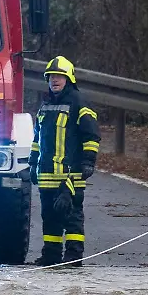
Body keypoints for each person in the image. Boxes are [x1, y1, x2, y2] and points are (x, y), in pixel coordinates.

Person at [29, 56, 101, 267]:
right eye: (51, 76)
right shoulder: (45, 104)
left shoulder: (79, 102)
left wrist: (88, 161)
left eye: (59, 76)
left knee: (71, 216)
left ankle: (74, 255)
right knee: (49, 217)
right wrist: (33, 163)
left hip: (70, 175)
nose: (55, 80)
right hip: (47, 175)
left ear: (68, 78)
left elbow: (91, 135)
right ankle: (51, 255)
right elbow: (37, 138)